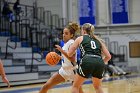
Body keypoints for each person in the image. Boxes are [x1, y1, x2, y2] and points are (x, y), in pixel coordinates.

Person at [39, 22, 84, 93]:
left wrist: (61, 51)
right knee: (46, 86)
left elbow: (72, 59)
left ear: (71, 35)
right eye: (63, 33)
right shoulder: (66, 44)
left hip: (73, 71)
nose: (64, 35)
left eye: (66, 33)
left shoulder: (72, 43)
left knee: (79, 91)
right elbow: (67, 57)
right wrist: (59, 57)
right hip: (64, 70)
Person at [67, 23, 111, 93]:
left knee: (75, 86)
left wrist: (70, 49)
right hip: (99, 61)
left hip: (87, 60)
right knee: (98, 87)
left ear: (84, 31)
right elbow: (108, 56)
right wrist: (101, 62)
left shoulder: (80, 38)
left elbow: (69, 54)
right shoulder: (97, 40)